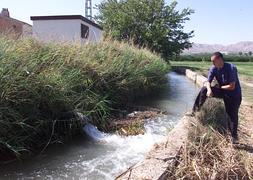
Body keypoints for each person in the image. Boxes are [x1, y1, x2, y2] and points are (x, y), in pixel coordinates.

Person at [192, 52, 242, 143]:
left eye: (214, 61)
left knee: (232, 115)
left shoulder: (231, 68)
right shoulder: (214, 68)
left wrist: (220, 87)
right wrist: (209, 90)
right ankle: (196, 110)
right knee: (203, 89)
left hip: (234, 95)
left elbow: (232, 86)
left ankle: (234, 137)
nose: (212, 64)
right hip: (223, 91)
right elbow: (208, 81)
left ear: (220, 59)